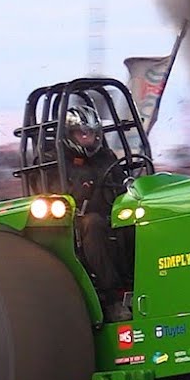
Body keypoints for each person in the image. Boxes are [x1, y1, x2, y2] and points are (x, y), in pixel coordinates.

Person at [59, 105, 132, 316]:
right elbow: (55, 196)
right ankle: (112, 297)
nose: (87, 138)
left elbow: (121, 182)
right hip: (74, 224)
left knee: (137, 220)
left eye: (91, 133)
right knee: (93, 224)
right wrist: (82, 188)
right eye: (82, 133)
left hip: (112, 213)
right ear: (70, 135)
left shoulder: (106, 157)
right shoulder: (56, 161)